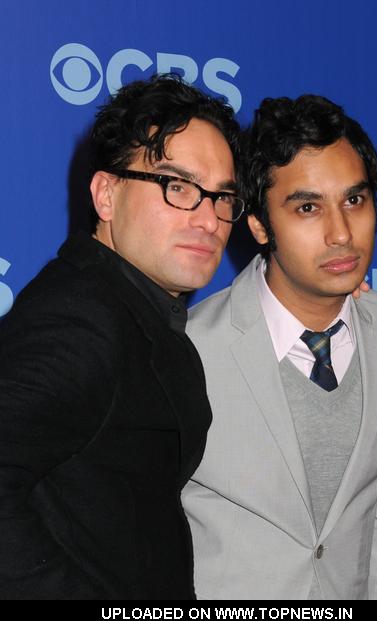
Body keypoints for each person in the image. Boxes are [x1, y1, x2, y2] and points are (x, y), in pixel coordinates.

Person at [0, 74, 244, 599]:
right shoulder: (81, 319)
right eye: (177, 186)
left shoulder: (136, 304)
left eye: (223, 197)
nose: (209, 219)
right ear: (107, 194)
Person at [183, 94, 377, 600]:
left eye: (355, 201)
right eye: (307, 208)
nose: (341, 233)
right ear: (258, 225)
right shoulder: (190, 348)